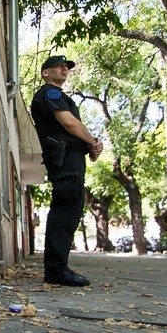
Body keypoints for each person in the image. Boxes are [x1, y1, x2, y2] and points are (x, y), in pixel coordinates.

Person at [30, 55, 103, 287]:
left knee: (69, 210)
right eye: (59, 66)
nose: (64, 69)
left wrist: (90, 143)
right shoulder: (50, 94)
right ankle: (56, 270)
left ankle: (58, 267)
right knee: (64, 210)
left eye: (67, 67)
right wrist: (92, 142)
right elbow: (69, 123)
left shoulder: (59, 96)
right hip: (65, 160)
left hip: (71, 159)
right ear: (45, 72)